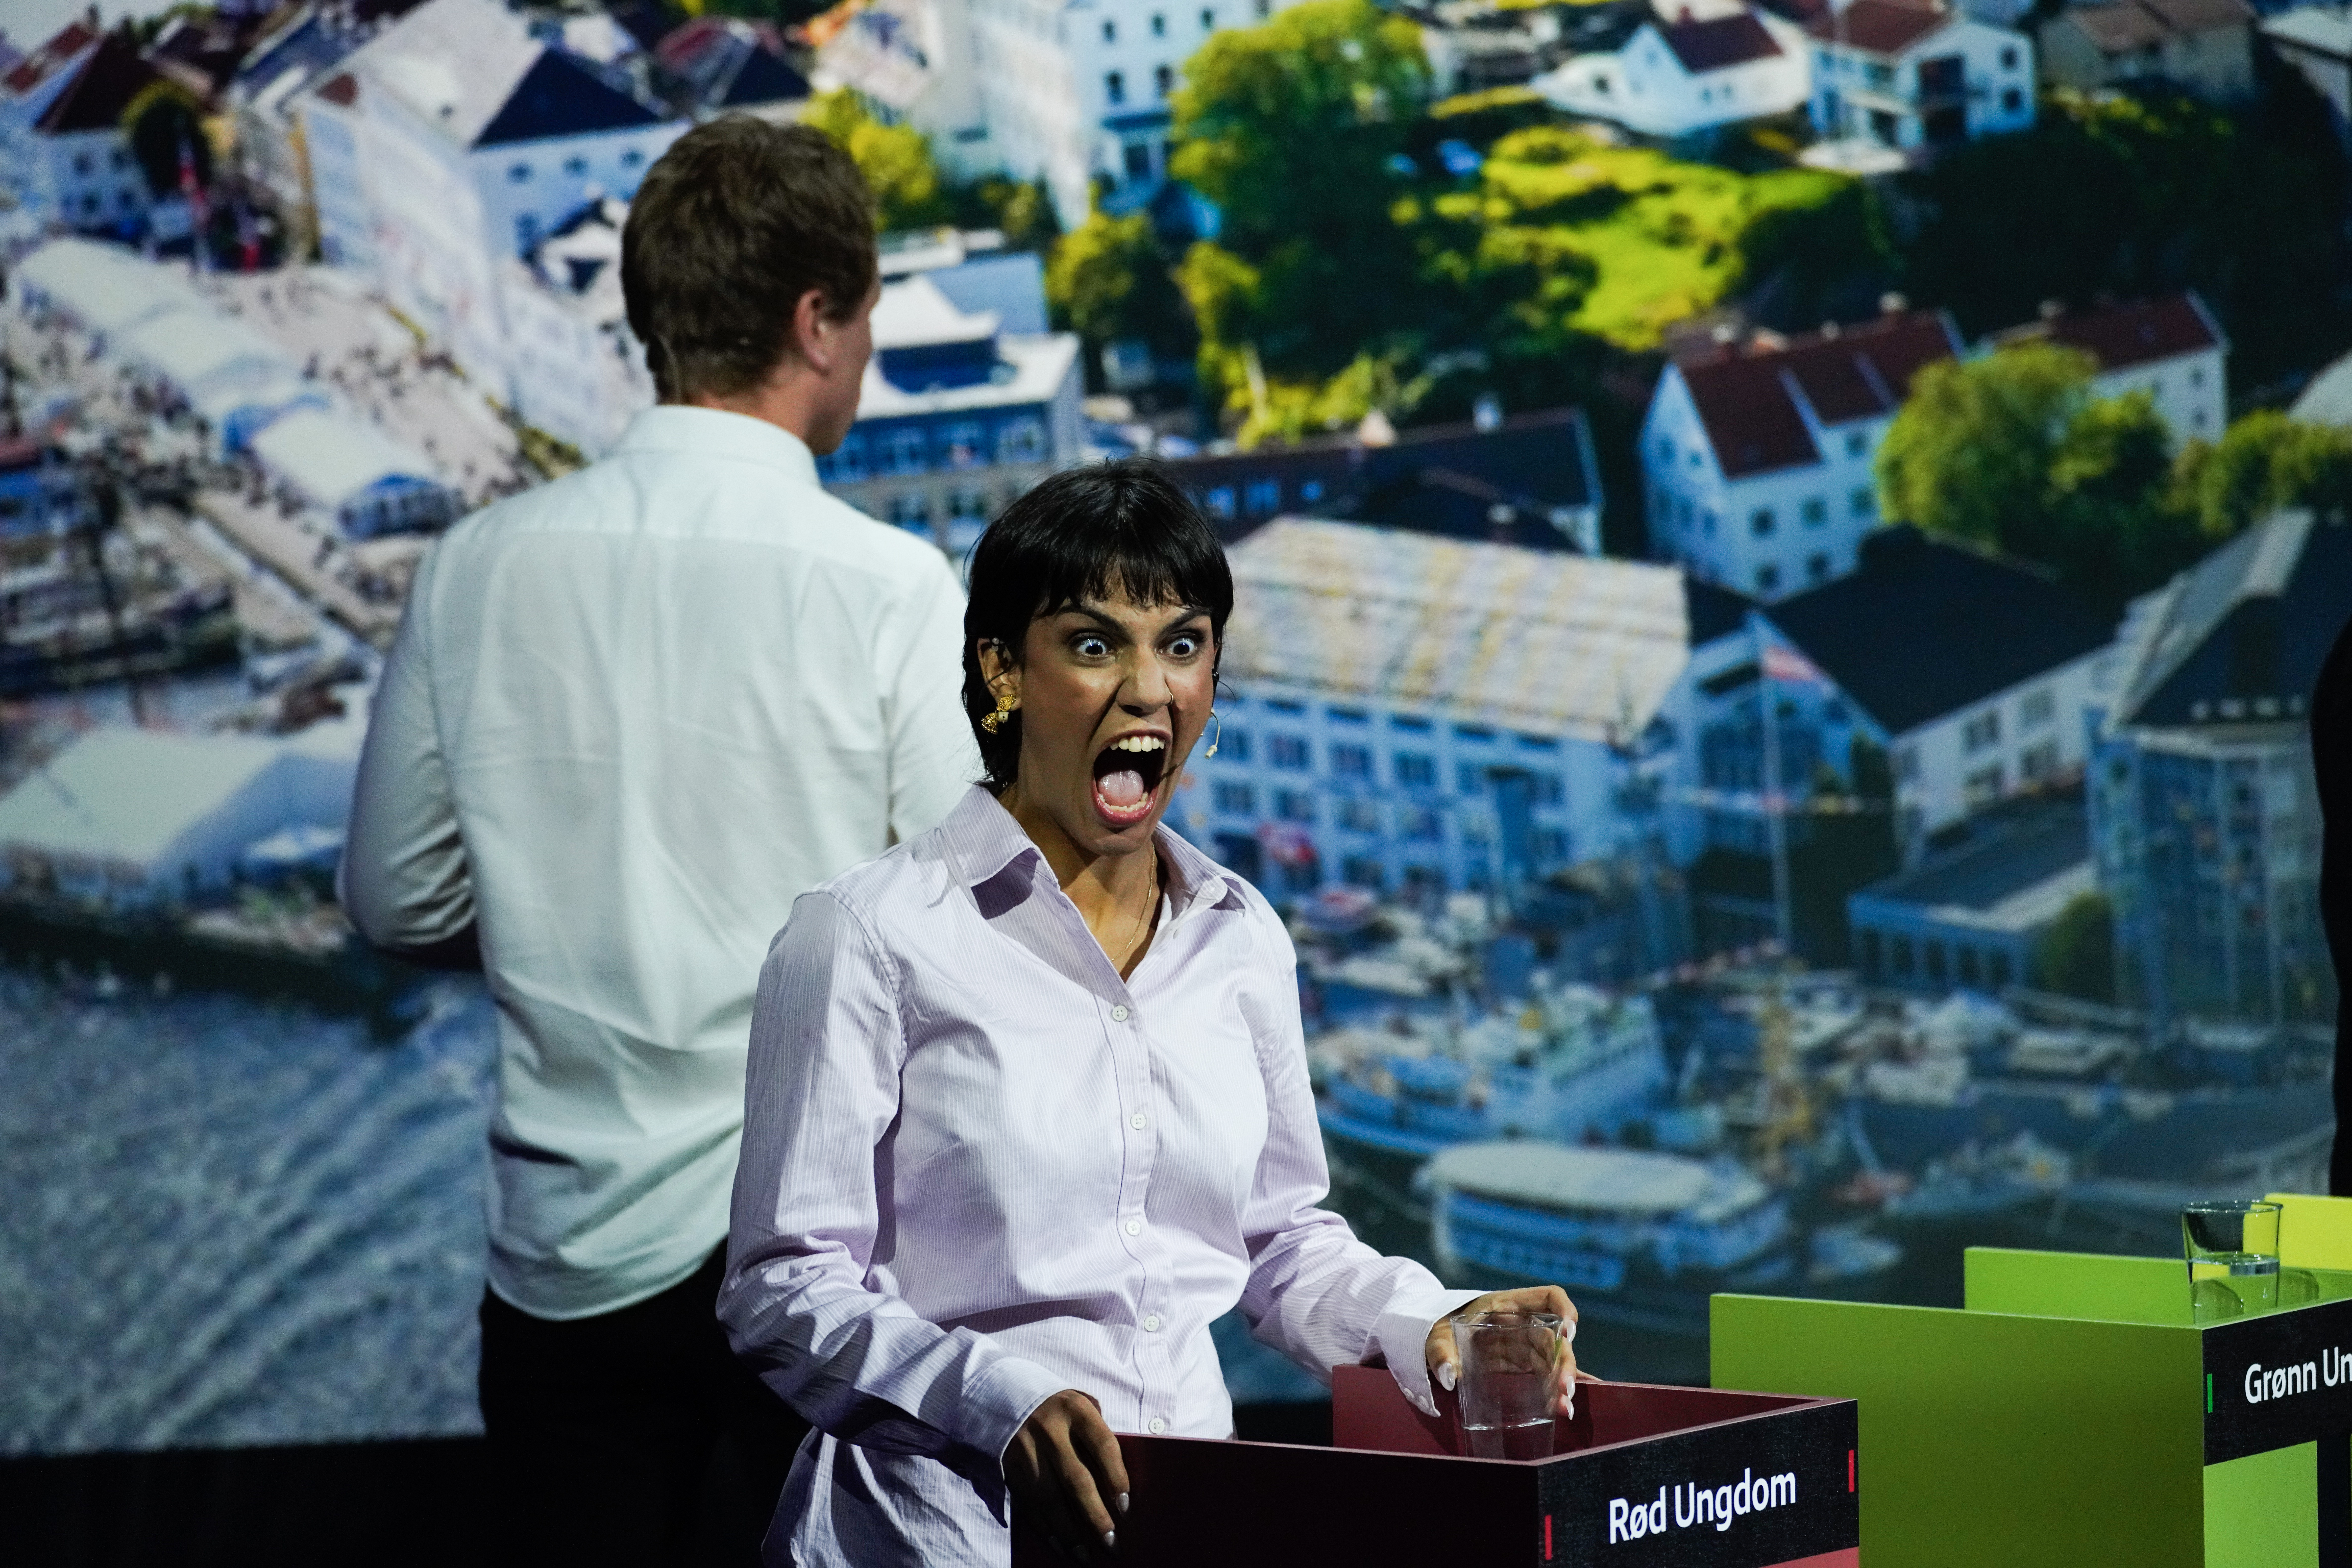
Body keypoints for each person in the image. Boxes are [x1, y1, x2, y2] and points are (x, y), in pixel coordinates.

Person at [719, 460, 1585, 1567]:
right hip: (936, 1543)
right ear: (1002, 671)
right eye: (1093, 645)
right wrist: (999, 1401)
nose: (1147, 689)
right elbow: (780, 1288)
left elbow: (1279, 1242)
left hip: (1189, 1524)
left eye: (1181, 644)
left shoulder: (1242, 935)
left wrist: (1436, 1328)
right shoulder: (866, 938)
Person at [341, 116, 978, 1564]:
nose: (867, 354)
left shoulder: (478, 571)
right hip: (825, 1271)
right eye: (865, 318)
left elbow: (392, 902)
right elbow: (969, 933)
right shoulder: (888, 589)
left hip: (571, 1265)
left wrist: (570, 909)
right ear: (818, 321)